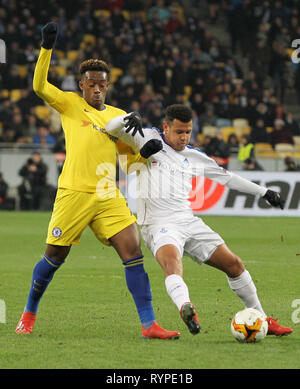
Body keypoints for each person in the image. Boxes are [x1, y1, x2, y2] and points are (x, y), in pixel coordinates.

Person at [15, 22, 180, 340]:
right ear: (81, 86)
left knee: (133, 253)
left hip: (108, 194)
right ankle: (29, 312)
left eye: (102, 85)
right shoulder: (69, 104)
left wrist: (146, 150)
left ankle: (149, 325)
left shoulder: (119, 118)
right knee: (52, 259)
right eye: (91, 84)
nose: (97, 89)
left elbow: (130, 162)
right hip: (74, 192)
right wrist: (46, 48)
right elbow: (39, 87)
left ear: (107, 86)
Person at [105, 103, 293, 337]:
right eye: (179, 132)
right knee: (172, 264)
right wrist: (128, 118)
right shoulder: (147, 138)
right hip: (158, 223)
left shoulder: (194, 156)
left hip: (188, 221)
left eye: (188, 132)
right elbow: (110, 127)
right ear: (166, 126)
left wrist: (263, 192)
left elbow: (228, 178)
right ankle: (186, 307)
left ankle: (262, 317)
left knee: (234, 265)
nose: (184, 138)